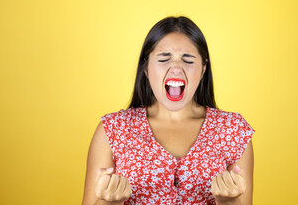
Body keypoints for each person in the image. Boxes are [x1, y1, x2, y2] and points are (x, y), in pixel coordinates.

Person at [82, 16, 255, 205]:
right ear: (146, 68)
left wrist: (227, 202)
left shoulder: (233, 130)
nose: (176, 68)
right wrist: (109, 202)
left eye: (188, 60)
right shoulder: (112, 130)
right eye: (164, 59)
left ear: (203, 69)